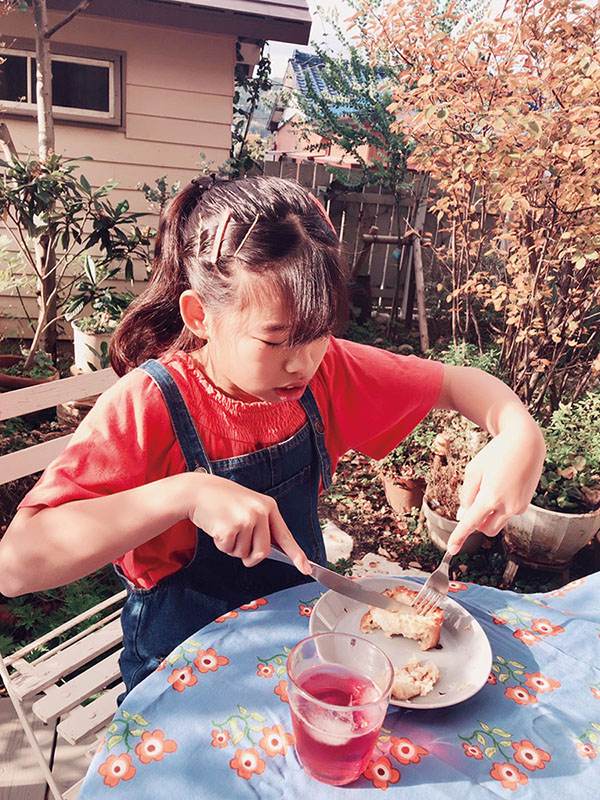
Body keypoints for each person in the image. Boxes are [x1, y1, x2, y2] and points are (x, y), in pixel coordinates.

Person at [0, 175, 545, 695]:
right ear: (200, 316)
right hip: (182, 666)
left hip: (300, 637)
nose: (302, 363)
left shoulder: (327, 372)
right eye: (275, 339)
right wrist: (185, 493)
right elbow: (17, 564)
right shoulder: (148, 404)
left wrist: (520, 434)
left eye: (319, 332)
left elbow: (458, 383)